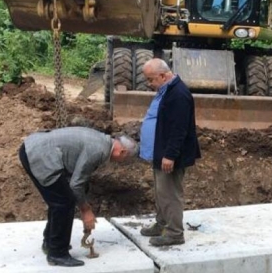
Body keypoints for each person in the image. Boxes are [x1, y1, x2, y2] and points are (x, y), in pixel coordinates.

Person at [19, 127, 139, 267]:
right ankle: (57, 253)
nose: (121, 163)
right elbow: (76, 184)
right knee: (64, 202)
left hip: (33, 148)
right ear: (122, 152)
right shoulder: (99, 150)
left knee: (59, 201)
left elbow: (78, 175)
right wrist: (85, 210)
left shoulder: (102, 140)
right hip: (39, 155)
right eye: (125, 159)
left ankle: (50, 243)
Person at [137, 58, 201, 247]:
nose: (149, 84)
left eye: (151, 80)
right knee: (161, 192)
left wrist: (170, 155)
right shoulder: (166, 90)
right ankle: (162, 223)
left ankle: (174, 233)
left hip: (170, 155)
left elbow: (179, 129)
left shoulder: (179, 94)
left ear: (163, 76)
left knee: (170, 193)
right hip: (160, 151)